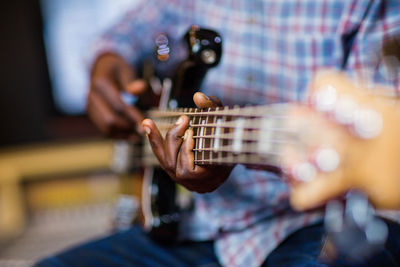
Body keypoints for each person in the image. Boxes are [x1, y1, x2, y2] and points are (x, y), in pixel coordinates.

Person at [36, 0, 400, 266]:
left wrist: (231, 149)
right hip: (197, 224)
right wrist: (108, 59)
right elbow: (148, 17)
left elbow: (377, 128)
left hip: (317, 224)